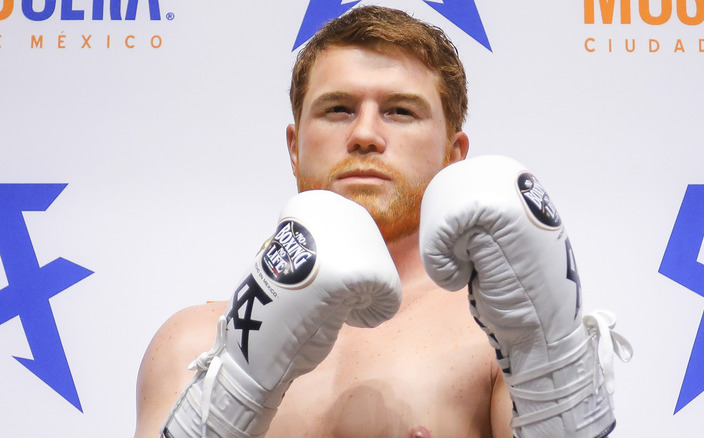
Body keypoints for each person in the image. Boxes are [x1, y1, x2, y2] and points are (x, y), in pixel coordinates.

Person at [135, 6, 628, 438]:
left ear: (452, 156)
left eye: (399, 111)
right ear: (294, 146)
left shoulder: (494, 339)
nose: (365, 134)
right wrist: (231, 394)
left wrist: (550, 363)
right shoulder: (194, 343)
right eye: (337, 109)